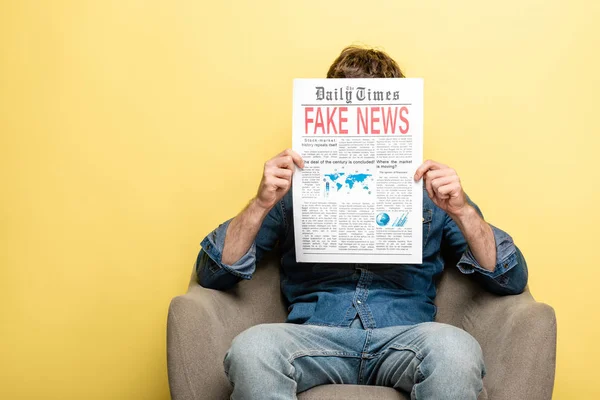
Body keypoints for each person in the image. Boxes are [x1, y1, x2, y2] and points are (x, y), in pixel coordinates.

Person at [195, 46, 528, 400]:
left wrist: (462, 210)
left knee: (456, 349)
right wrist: (262, 202)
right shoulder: (291, 189)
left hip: (406, 339)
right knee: (252, 349)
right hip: (315, 338)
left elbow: (511, 278)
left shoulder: (433, 192)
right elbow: (214, 272)